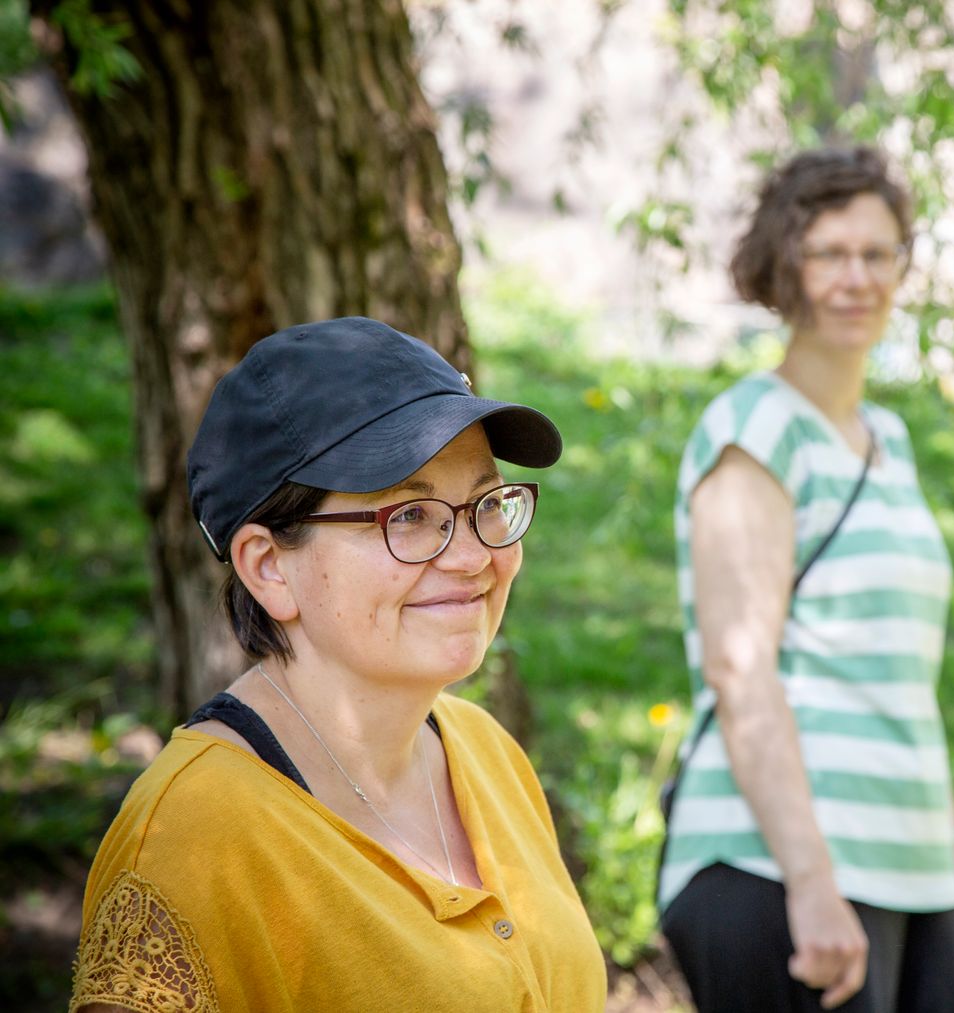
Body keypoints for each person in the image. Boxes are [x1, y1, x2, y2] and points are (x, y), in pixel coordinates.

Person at [69, 317, 606, 1012]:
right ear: (269, 568)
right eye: (409, 515)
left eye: (483, 503)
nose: (474, 555)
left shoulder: (485, 750)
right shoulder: (191, 842)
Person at [657, 147, 954, 1013]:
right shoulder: (754, 426)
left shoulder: (889, 438)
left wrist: (952, 859)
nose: (858, 277)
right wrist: (810, 877)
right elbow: (740, 667)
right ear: (784, 265)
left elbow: (901, 680)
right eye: (830, 253)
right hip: (776, 863)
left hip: (909, 867)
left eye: (878, 254)